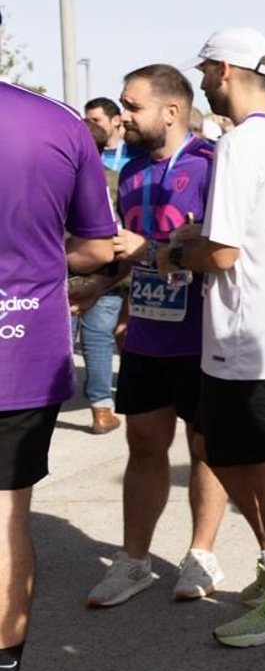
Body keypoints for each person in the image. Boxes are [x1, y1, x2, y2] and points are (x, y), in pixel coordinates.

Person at [74, 65, 252, 608]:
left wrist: (161, 251)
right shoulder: (129, 173)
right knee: (144, 445)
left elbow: (226, 253)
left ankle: (201, 554)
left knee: (205, 450)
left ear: (170, 112)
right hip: (150, 335)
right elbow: (127, 252)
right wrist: (102, 288)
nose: (122, 116)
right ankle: (134, 561)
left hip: (203, 337)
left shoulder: (211, 165)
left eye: (132, 106)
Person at [165, 27, 265, 647]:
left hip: (244, 330)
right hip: (264, 326)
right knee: (230, 455)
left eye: (204, 73)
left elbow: (222, 254)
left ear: (224, 69)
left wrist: (174, 251)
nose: (201, 83)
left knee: (263, 465)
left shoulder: (240, 144)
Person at [0, 82, 117, 671]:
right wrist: (47, 256)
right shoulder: (55, 124)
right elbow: (100, 248)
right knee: (6, 517)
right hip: (16, 350)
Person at [74, 98, 127, 434]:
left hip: (65, 274)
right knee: (97, 339)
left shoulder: (55, 178)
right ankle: (101, 409)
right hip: (108, 272)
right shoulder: (114, 179)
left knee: (62, 342)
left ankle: (46, 403)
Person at [84, 97, 131, 175]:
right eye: (88, 121)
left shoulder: (134, 153)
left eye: (96, 120)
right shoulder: (84, 154)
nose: (91, 125)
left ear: (116, 120)